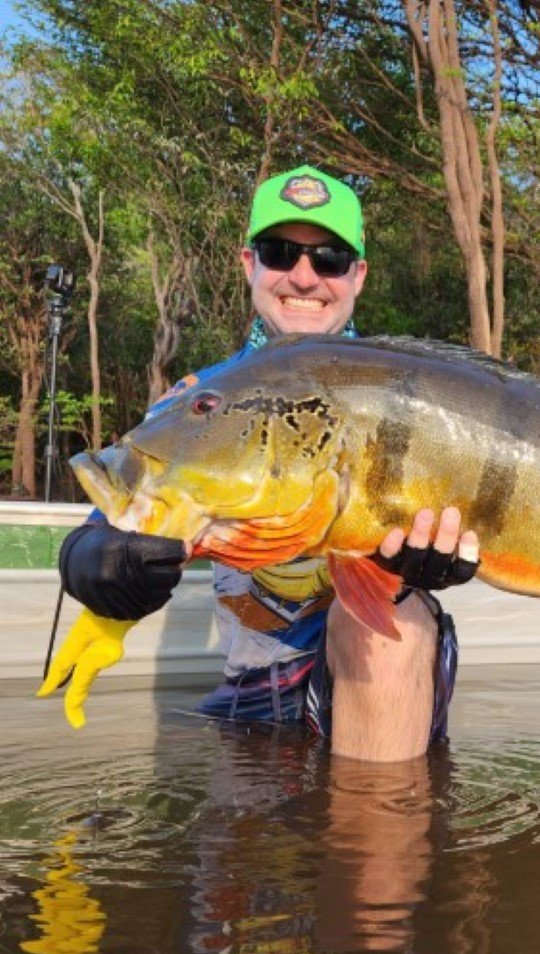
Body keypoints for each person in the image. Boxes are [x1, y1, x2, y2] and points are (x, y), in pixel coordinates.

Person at [39, 165, 479, 762]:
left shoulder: (412, 394)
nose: (304, 276)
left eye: (328, 257)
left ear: (358, 276)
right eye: (280, 252)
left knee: (389, 630)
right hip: (255, 690)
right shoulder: (197, 401)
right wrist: (100, 567)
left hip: (373, 676)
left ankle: (382, 847)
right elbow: (105, 522)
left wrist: (429, 565)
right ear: (250, 264)